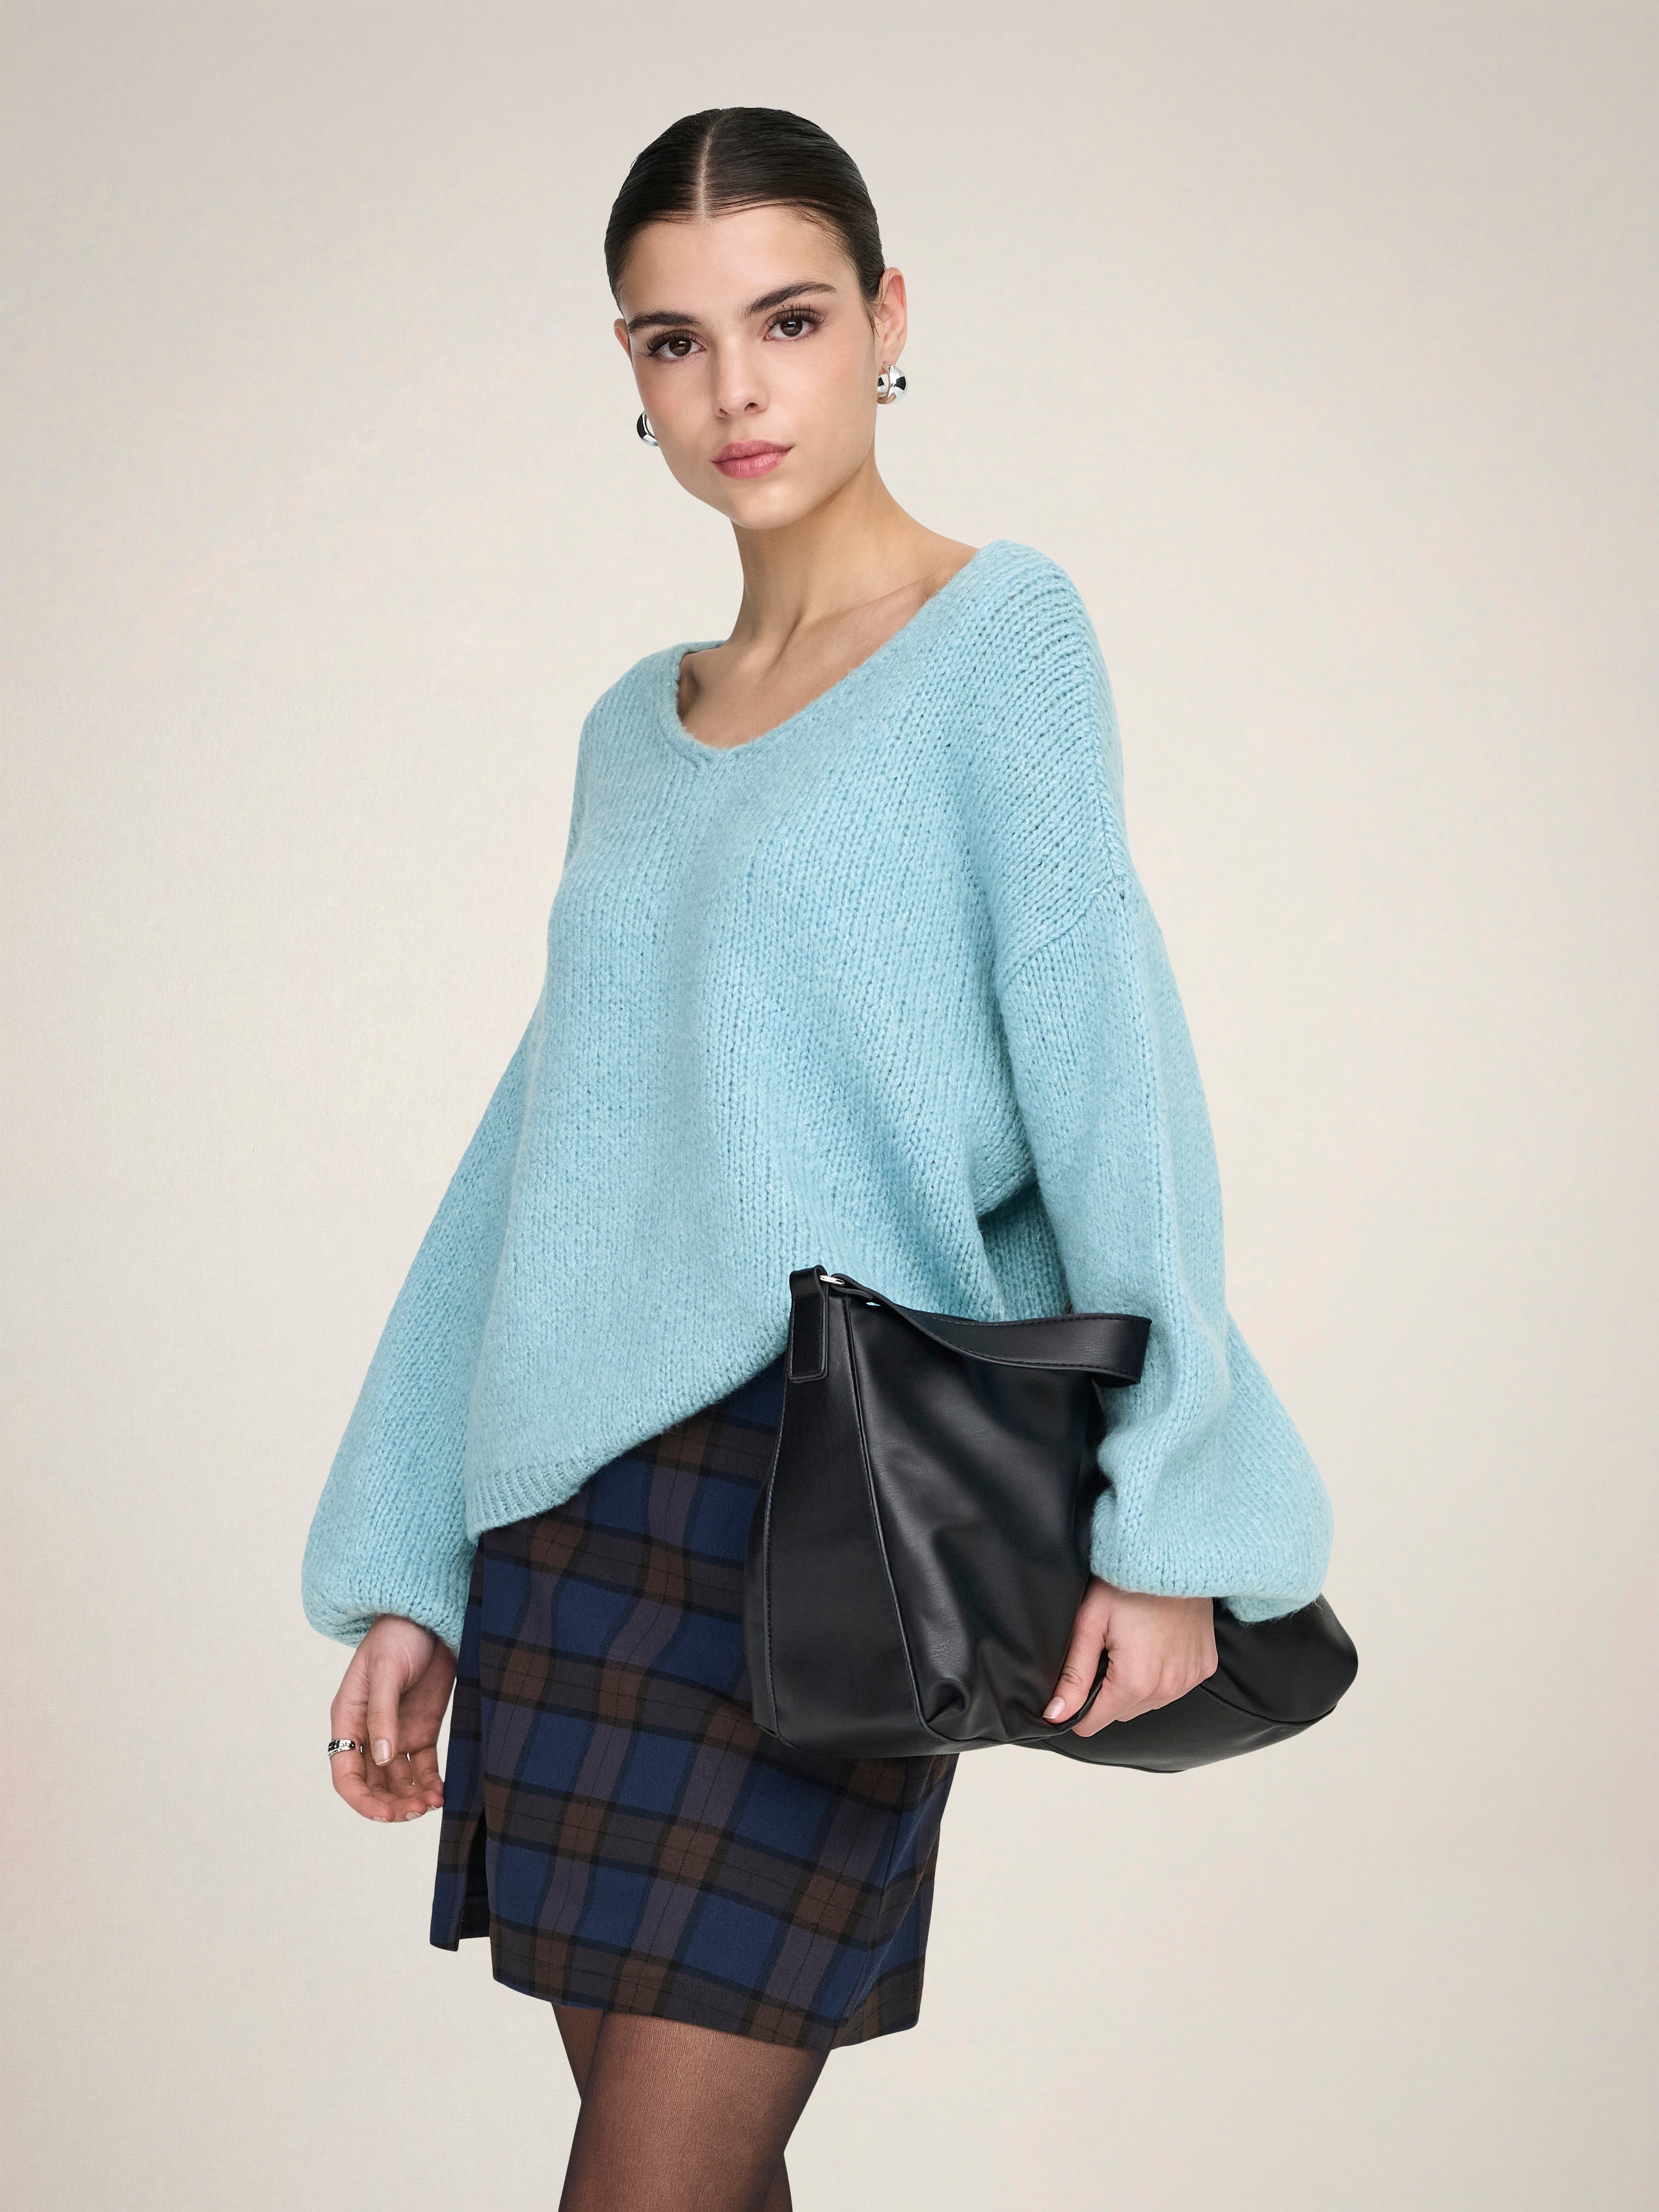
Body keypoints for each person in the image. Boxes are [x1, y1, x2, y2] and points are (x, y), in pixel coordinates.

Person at [302, 105, 1334, 2212]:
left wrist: (1169, 1508)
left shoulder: (1001, 639)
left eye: (786, 319)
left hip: (828, 1522)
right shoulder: (633, 723)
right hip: (582, 1529)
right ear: (631, 371)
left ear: (886, 319)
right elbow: (545, 1146)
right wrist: (413, 1557)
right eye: (675, 341)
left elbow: (1110, 1074)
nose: (738, 388)